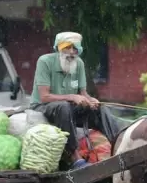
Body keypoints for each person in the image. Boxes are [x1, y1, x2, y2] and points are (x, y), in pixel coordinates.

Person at [30, 32, 103, 170]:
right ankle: (75, 157)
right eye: (67, 48)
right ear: (58, 48)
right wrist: (71, 97)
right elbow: (44, 97)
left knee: (99, 108)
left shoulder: (79, 63)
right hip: (42, 107)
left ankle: (119, 138)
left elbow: (83, 94)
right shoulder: (45, 61)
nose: (71, 52)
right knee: (64, 106)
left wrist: (91, 100)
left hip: (67, 108)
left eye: (74, 48)